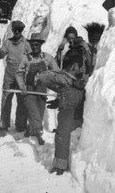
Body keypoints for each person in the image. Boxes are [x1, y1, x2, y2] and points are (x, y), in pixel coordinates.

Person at [36, 33, 92, 175]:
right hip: (73, 94)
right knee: (68, 130)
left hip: (72, 94)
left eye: (73, 38)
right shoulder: (73, 52)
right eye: (69, 37)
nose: (71, 40)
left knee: (62, 132)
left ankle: (60, 165)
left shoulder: (79, 52)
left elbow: (67, 77)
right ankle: (63, 163)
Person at [15, 33, 60, 145]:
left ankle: (31, 129)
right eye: (32, 45)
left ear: (40, 45)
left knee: (39, 112)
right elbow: (19, 73)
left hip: (42, 89)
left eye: (36, 45)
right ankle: (38, 134)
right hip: (29, 89)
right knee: (33, 110)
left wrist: (54, 81)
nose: (34, 47)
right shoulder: (26, 58)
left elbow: (57, 72)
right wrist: (22, 86)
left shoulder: (47, 58)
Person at [0, 20, 32, 132]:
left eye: (19, 30)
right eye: (15, 30)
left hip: (21, 75)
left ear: (22, 31)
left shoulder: (26, 44)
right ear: (12, 30)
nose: (17, 32)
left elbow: (32, 59)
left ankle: (21, 125)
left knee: (21, 99)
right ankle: (4, 123)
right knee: (6, 98)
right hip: (9, 73)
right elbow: (0, 56)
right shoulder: (8, 43)